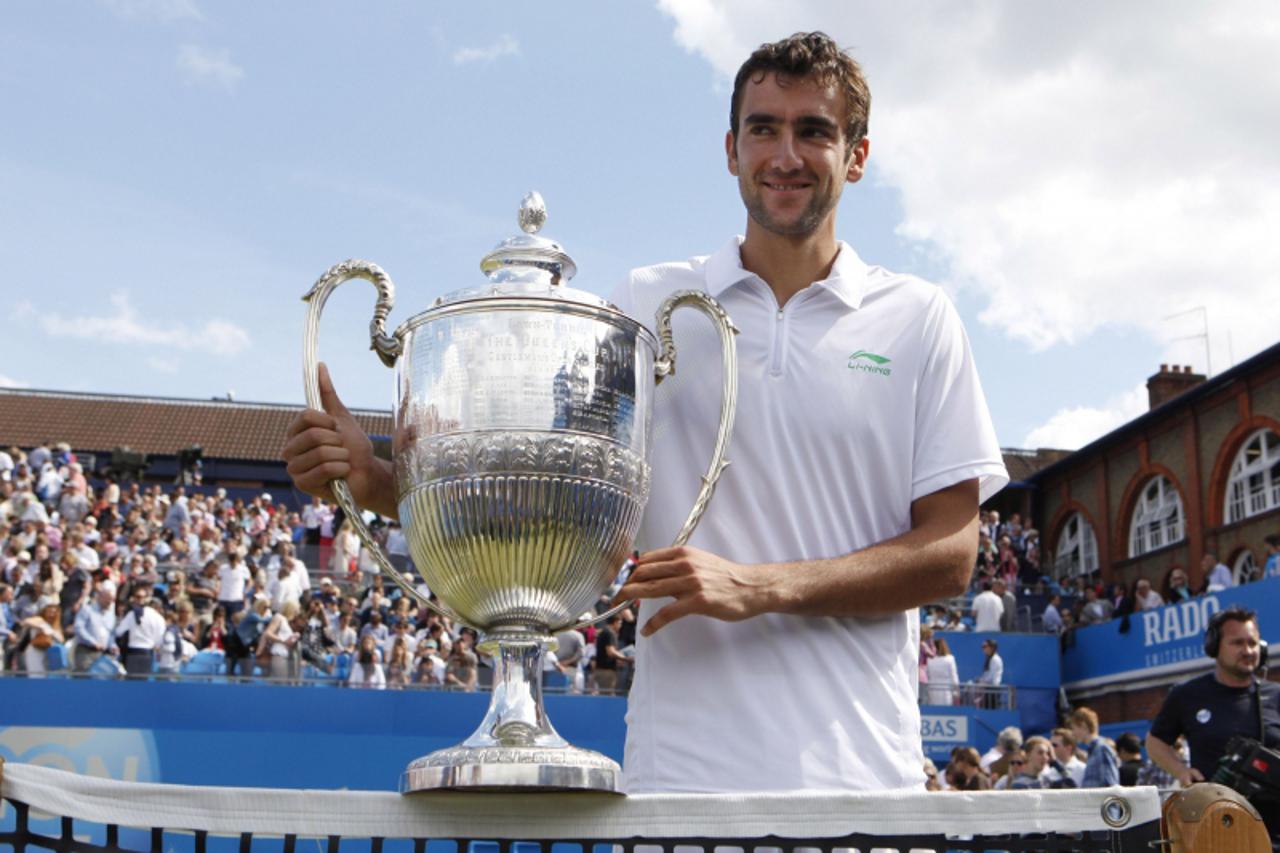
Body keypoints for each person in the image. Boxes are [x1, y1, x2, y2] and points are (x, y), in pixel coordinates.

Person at [281, 31, 1007, 793]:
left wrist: (760, 586)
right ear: (732, 149)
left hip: (863, 785)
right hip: (679, 782)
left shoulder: (919, 318)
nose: (785, 154)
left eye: (814, 130)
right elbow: (556, 506)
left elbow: (951, 553)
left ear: (856, 155)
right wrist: (378, 482)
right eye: (764, 128)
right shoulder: (647, 304)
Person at [1146, 606, 1279, 838]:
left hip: (1274, 829)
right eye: (1237, 643)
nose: (1248, 650)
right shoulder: (1187, 695)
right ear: (1214, 646)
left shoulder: (1275, 695)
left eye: (1253, 643)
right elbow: (1155, 742)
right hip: (1216, 830)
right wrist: (1181, 771)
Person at [1068, 707, 1119, 788]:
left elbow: (1110, 784)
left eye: (1073, 728)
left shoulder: (1102, 749)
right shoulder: (1095, 750)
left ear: (1083, 725)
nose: (1073, 733)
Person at [924, 635, 959, 705]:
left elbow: (926, 674)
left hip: (933, 688)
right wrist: (956, 690)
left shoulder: (929, 659)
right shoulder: (950, 659)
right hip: (946, 689)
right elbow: (954, 675)